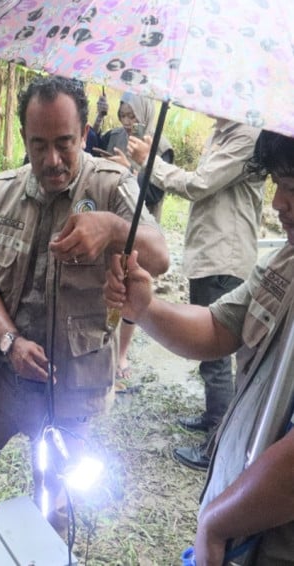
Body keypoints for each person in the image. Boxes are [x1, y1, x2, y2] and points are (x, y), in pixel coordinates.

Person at [0, 75, 170, 565]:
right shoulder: (3, 192)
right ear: (24, 139)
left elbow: (160, 256)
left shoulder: (112, 188)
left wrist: (113, 228)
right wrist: (9, 342)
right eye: (38, 145)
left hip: (71, 391)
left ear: (85, 132)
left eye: (65, 143)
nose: (52, 160)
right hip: (0, 379)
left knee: (56, 504)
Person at [103, 129, 294, 565]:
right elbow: (217, 328)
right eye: (277, 185)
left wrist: (216, 524)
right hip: (246, 532)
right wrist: (146, 307)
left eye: (292, 188)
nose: (278, 203)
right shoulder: (285, 263)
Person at [127, 116, 263, 470]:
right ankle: (213, 416)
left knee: (216, 354)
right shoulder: (222, 133)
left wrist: (150, 162)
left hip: (225, 258)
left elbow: (199, 184)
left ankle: (218, 442)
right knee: (209, 355)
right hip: (208, 255)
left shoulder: (246, 137)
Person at [95, 92, 175, 390]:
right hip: (112, 222)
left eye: (133, 116)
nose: (128, 122)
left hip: (140, 229)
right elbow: (91, 154)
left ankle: (121, 354)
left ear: (145, 114)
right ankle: (102, 345)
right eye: (123, 115)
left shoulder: (161, 146)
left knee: (132, 289)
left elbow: (154, 193)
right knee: (110, 284)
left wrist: (129, 171)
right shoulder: (114, 135)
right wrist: (99, 117)